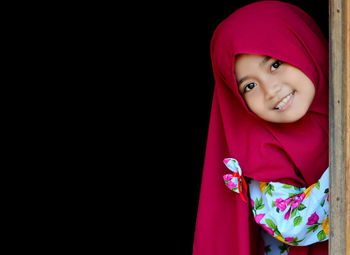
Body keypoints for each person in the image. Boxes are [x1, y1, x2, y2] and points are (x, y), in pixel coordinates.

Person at [192, 1, 329, 255]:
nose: (270, 91)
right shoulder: (259, 153)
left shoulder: (342, 109)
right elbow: (290, 225)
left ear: (306, 46)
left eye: (275, 64)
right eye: (249, 86)